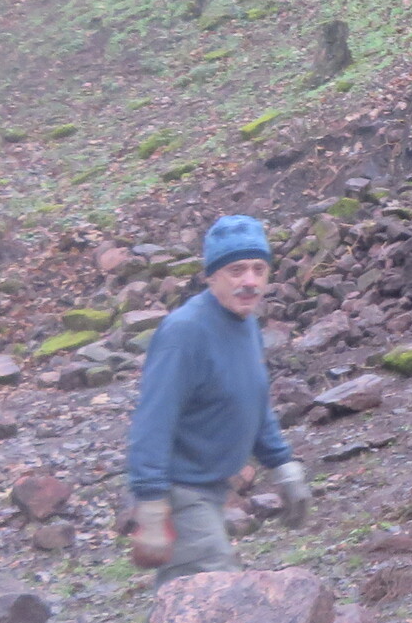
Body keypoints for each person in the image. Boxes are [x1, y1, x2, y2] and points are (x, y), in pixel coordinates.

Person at [126, 215, 312, 582]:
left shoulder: (245, 324)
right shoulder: (184, 333)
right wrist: (150, 502)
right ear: (211, 276)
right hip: (178, 491)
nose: (250, 281)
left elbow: (252, 400)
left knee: (198, 595)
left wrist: (283, 465)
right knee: (213, 587)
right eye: (236, 270)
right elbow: (152, 420)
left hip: (210, 486)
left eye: (259, 269)